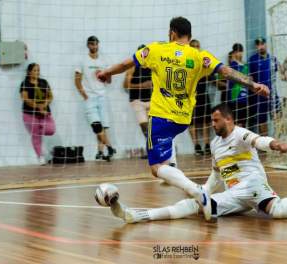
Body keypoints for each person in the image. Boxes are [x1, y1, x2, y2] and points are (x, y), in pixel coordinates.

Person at [96, 17, 269, 221]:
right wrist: (252, 84)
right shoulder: (198, 55)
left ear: (171, 33)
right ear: (190, 35)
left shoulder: (156, 49)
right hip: (182, 119)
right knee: (167, 165)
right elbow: (226, 71)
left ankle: (197, 191)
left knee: (156, 168)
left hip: (161, 116)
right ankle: (176, 176)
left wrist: (107, 72)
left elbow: (126, 63)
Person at [98, 104, 287, 223]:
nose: (212, 123)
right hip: (236, 193)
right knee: (193, 207)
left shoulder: (240, 134)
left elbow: (258, 140)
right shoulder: (214, 144)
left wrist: (275, 144)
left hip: (254, 184)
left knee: (280, 212)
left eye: (216, 120)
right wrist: (203, 194)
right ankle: (139, 215)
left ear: (228, 119)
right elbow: (216, 175)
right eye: (211, 120)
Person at [75, 36, 116, 161]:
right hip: (90, 98)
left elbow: (109, 81)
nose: (94, 46)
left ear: (98, 45)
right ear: (88, 45)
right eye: (92, 44)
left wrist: (105, 75)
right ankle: (109, 147)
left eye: (96, 44)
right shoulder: (82, 60)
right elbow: (77, 79)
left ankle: (100, 152)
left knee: (103, 127)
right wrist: (84, 95)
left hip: (102, 97)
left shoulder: (104, 61)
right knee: (96, 126)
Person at [20, 63, 56, 165]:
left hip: (44, 112)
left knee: (51, 130)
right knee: (35, 135)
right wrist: (37, 107)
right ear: (29, 72)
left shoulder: (43, 82)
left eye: (38, 70)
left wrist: (45, 104)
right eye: (35, 70)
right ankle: (40, 156)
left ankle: (37, 132)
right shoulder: (25, 83)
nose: (37, 72)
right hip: (29, 113)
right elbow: (25, 98)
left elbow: (50, 96)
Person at [248, 37, 280, 135]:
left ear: (266, 44)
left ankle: (278, 139)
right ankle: (265, 144)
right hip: (260, 95)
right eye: (258, 45)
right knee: (262, 119)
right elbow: (250, 78)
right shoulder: (252, 60)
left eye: (262, 44)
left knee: (277, 116)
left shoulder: (273, 59)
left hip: (273, 93)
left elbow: (281, 74)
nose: (260, 46)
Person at [123, 44, 152, 142]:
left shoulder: (152, 66)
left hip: (151, 100)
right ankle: (151, 146)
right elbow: (126, 85)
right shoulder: (132, 67)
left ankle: (154, 148)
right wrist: (142, 85)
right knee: (144, 125)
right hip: (137, 101)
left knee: (155, 127)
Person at [189, 39, 212, 156]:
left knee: (205, 121)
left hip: (203, 93)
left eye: (197, 46)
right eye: (193, 46)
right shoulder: (187, 60)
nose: (196, 48)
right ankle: (196, 145)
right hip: (190, 95)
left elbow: (210, 74)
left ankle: (207, 144)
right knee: (192, 122)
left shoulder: (204, 59)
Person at [227, 43, 249, 127]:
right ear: (234, 52)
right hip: (235, 97)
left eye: (240, 51)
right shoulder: (233, 65)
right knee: (236, 124)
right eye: (236, 51)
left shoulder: (245, 65)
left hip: (244, 98)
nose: (239, 53)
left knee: (243, 123)